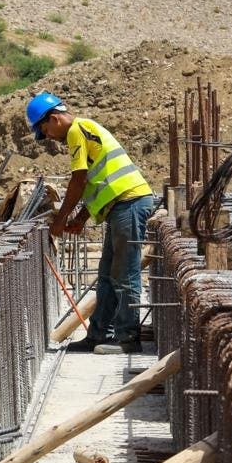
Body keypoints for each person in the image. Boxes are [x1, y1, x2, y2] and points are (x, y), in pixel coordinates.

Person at [25, 92, 155, 354]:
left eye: (45, 130)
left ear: (53, 119)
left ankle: (128, 338)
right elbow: (97, 182)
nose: (48, 137)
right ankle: (98, 336)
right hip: (120, 206)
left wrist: (60, 221)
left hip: (129, 203)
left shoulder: (76, 130)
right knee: (107, 275)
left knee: (124, 274)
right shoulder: (84, 130)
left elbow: (79, 180)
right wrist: (80, 218)